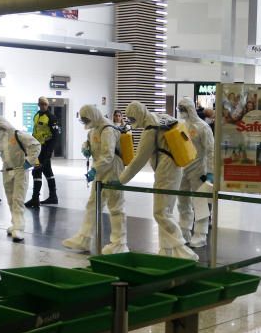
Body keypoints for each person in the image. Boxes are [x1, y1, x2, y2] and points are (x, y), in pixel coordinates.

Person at [118, 101, 198, 261]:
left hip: (166, 170)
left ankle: (181, 249)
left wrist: (121, 180)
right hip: (173, 167)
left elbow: (139, 160)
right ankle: (166, 249)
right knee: (165, 210)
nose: (133, 122)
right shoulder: (159, 118)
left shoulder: (150, 128)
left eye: (133, 118)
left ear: (139, 114)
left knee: (160, 212)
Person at [62, 105, 127, 254]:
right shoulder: (94, 129)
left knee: (115, 207)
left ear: (93, 115)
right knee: (93, 204)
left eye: (86, 119)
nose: (85, 122)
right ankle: (83, 238)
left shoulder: (108, 130)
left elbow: (109, 156)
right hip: (100, 170)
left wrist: (94, 170)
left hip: (113, 171)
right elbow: (90, 143)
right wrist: (85, 147)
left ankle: (120, 243)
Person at [175, 98, 215, 248]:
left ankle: (200, 235)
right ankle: (184, 231)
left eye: (183, 109)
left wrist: (211, 172)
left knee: (200, 203)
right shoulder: (181, 126)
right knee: (182, 201)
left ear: (190, 109)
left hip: (200, 169)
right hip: (183, 168)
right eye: (180, 109)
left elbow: (211, 151)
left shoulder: (203, 127)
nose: (181, 112)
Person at [26, 97, 61, 207]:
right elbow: (35, 131)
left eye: (45, 104)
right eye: (41, 104)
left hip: (45, 150)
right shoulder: (36, 115)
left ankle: (35, 198)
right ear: (38, 104)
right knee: (47, 171)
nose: (43, 106)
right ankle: (53, 196)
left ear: (47, 105)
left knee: (36, 171)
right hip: (36, 148)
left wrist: (49, 153)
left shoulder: (51, 117)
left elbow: (55, 137)